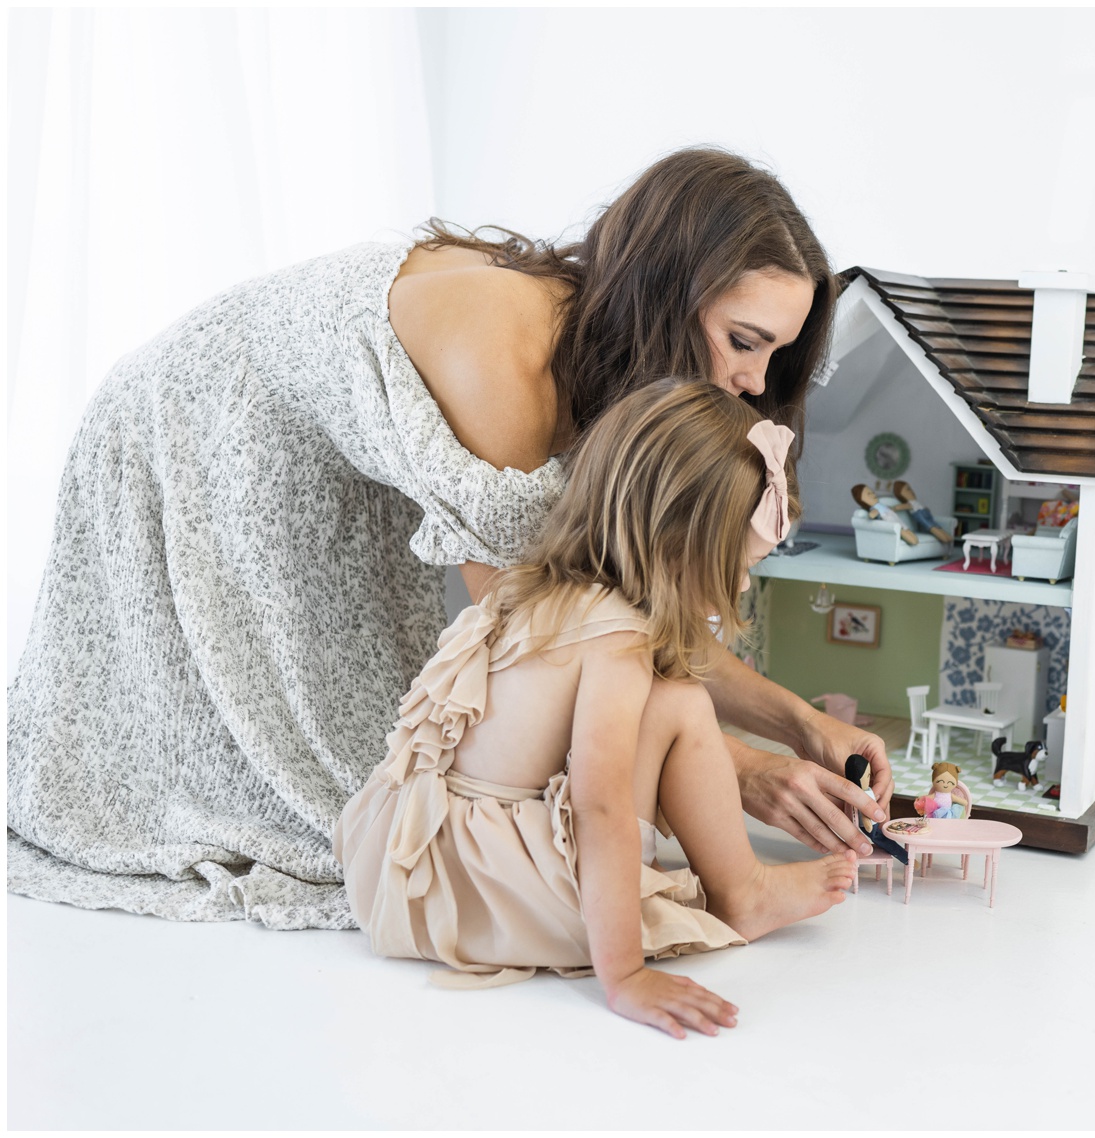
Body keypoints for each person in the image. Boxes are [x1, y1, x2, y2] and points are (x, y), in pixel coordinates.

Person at [8, 148, 889, 931]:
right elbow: (539, 643)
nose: (751, 382)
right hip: (193, 424)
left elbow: (618, 617)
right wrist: (735, 771)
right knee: (349, 787)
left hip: (288, 434)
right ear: (668, 289)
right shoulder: (509, 368)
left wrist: (797, 723)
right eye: (744, 342)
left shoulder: (597, 350)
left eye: (775, 358)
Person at [336, 380, 855, 1038]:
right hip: (485, 898)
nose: (742, 587)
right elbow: (601, 804)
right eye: (738, 567)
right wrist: (626, 974)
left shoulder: (537, 586)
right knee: (683, 701)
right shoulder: (617, 636)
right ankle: (743, 889)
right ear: (676, 544)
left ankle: (730, 882)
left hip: (405, 867)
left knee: (668, 695)